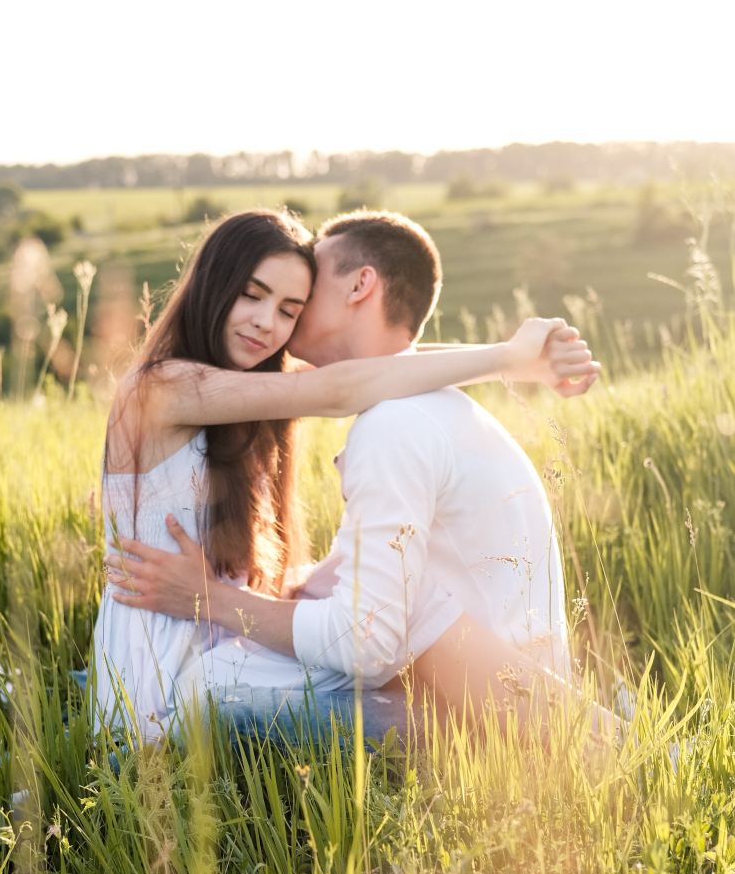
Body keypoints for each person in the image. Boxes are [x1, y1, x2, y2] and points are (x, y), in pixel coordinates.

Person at [100, 209, 602, 742]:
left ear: (360, 285)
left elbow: (383, 367)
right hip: (160, 662)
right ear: (215, 282)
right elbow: (344, 385)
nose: (269, 323)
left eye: (293, 306)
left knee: (387, 630)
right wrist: (506, 359)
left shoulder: (252, 389)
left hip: (218, 649)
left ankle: (567, 737)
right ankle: (571, 737)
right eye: (252, 294)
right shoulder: (161, 387)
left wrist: (516, 363)